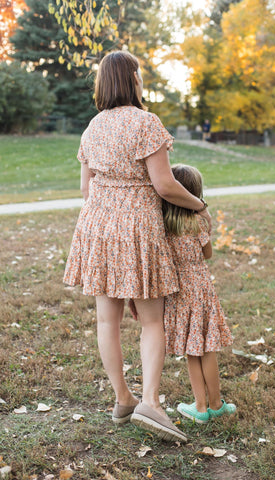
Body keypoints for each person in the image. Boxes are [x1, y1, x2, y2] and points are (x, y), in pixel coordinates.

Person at [63, 51, 211, 443]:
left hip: (96, 226)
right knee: (150, 320)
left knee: (106, 320)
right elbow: (163, 184)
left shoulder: (92, 126)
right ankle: (149, 401)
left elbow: (84, 187)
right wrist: (198, 204)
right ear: (133, 78)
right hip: (136, 228)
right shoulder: (146, 122)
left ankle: (122, 398)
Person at [162, 164, 236, 424]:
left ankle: (200, 407)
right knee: (208, 349)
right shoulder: (197, 222)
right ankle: (216, 404)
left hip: (180, 291)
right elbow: (208, 254)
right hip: (202, 289)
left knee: (193, 351)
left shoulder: (163, 225)